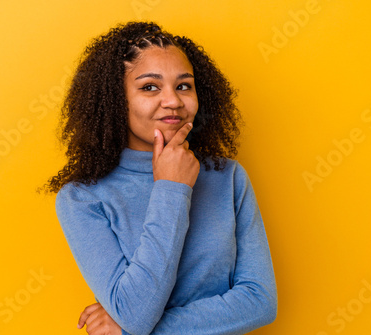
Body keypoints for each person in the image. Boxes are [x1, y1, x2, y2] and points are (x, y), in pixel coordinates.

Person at [45, 21, 277, 335]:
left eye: (183, 85)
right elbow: (136, 313)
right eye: (150, 87)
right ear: (115, 100)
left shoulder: (228, 177)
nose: (173, 101)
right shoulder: (83, 198)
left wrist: (130, 330)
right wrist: (172, 189)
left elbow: (260, 301)